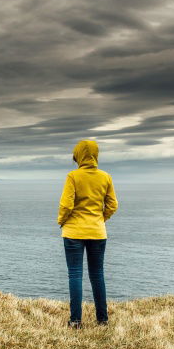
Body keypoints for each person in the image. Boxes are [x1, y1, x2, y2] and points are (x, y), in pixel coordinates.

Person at [58, 139, 118, 328]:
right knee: (97, 274)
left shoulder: (73, 176)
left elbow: (66, 204)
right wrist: (100, 219)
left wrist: (61, 220)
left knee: (75, 274)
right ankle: (103, 320)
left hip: (74, 231)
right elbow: (112, 205)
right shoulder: (105, 177)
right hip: (98, 231)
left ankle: (75, 321)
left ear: (78, 155)